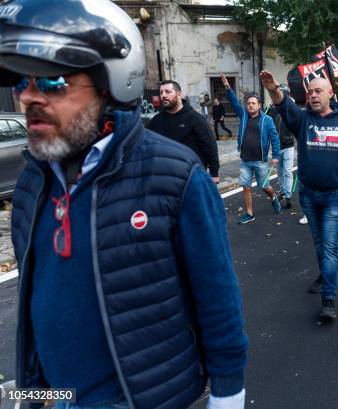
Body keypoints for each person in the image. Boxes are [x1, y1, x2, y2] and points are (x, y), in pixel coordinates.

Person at [2, 1, 248, 409]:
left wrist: (228, 394)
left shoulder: (175, 174)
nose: (29, 98)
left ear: (111, 84)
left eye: (51, 82)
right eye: (22, 83)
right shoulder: (32, 180)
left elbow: (217, 296)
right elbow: (33, 305)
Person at [260, 71, 338, 320]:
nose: (312, 95)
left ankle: (329, 300)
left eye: (318, 91)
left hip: (336, 196)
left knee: (330, 246)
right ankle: (326, 273)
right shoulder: (303, 120)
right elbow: (283, 104)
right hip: (309, 195)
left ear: (330, 94)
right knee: (319, 243)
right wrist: (272, 88)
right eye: (310, 92)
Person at [221, 73, 281, 224]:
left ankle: (273, 197)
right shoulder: (244, 116)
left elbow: (274, 138)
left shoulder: (267, 120)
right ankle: (249, 213)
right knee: (245, 186)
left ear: (259, 105)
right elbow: (234, 102)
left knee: (264, 186)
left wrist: (275, 156)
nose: (250, 105)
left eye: (253, 103)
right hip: (245, 160)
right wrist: (228, 88)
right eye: (248, 103)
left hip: (260, 161)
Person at [148, 80, 220, 183]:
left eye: (168, 92)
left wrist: (214, 173)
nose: (163, 95)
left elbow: (209, 145)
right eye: (161, 92)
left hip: (192, 177)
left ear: (179, 94)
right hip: (166, 179)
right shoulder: (156, 121)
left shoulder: (195, 118)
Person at [269, 84, 296, 209]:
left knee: (287, 171)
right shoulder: (272, 109)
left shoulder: (291, 109)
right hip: (276, 146)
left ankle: (288, 195)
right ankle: (283, 192)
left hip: (288, 144)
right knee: (279, 171)